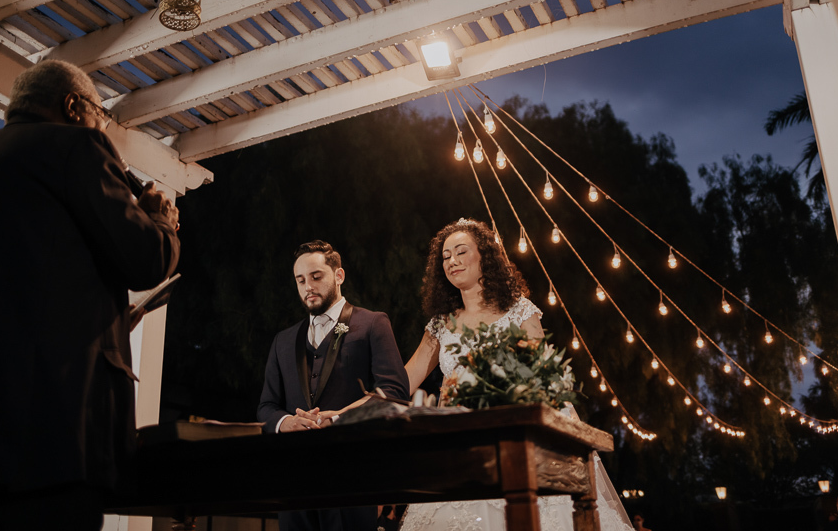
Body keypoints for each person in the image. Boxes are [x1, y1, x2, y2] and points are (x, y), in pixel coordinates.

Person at [0, 60, 180, 530]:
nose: (102, 128)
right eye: (101, 116)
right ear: (74, 106)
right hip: (54, 437)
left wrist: (109, 318)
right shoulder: (78, 146)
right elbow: (146, 259)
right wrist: (160, 220)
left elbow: (23, 290)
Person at [401, 219, 633, 531]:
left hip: (515, 440)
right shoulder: (440, 324)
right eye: (445, 256)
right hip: (458, 444)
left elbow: (543, 378)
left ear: (485, 257)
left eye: (461, 252)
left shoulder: (519, 311)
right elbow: (404, 379)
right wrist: (355, 407)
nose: (452, 261)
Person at [257, 240, 410, 531]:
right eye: (300, 280)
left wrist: (340, 419)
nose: (308, 287)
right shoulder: (283, 340)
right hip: (294, 481)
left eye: (316, 277)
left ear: (339, 275)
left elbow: (395, 393)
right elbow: (266, 407)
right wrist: (286, 422)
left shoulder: (373, 323)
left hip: (352, 475)